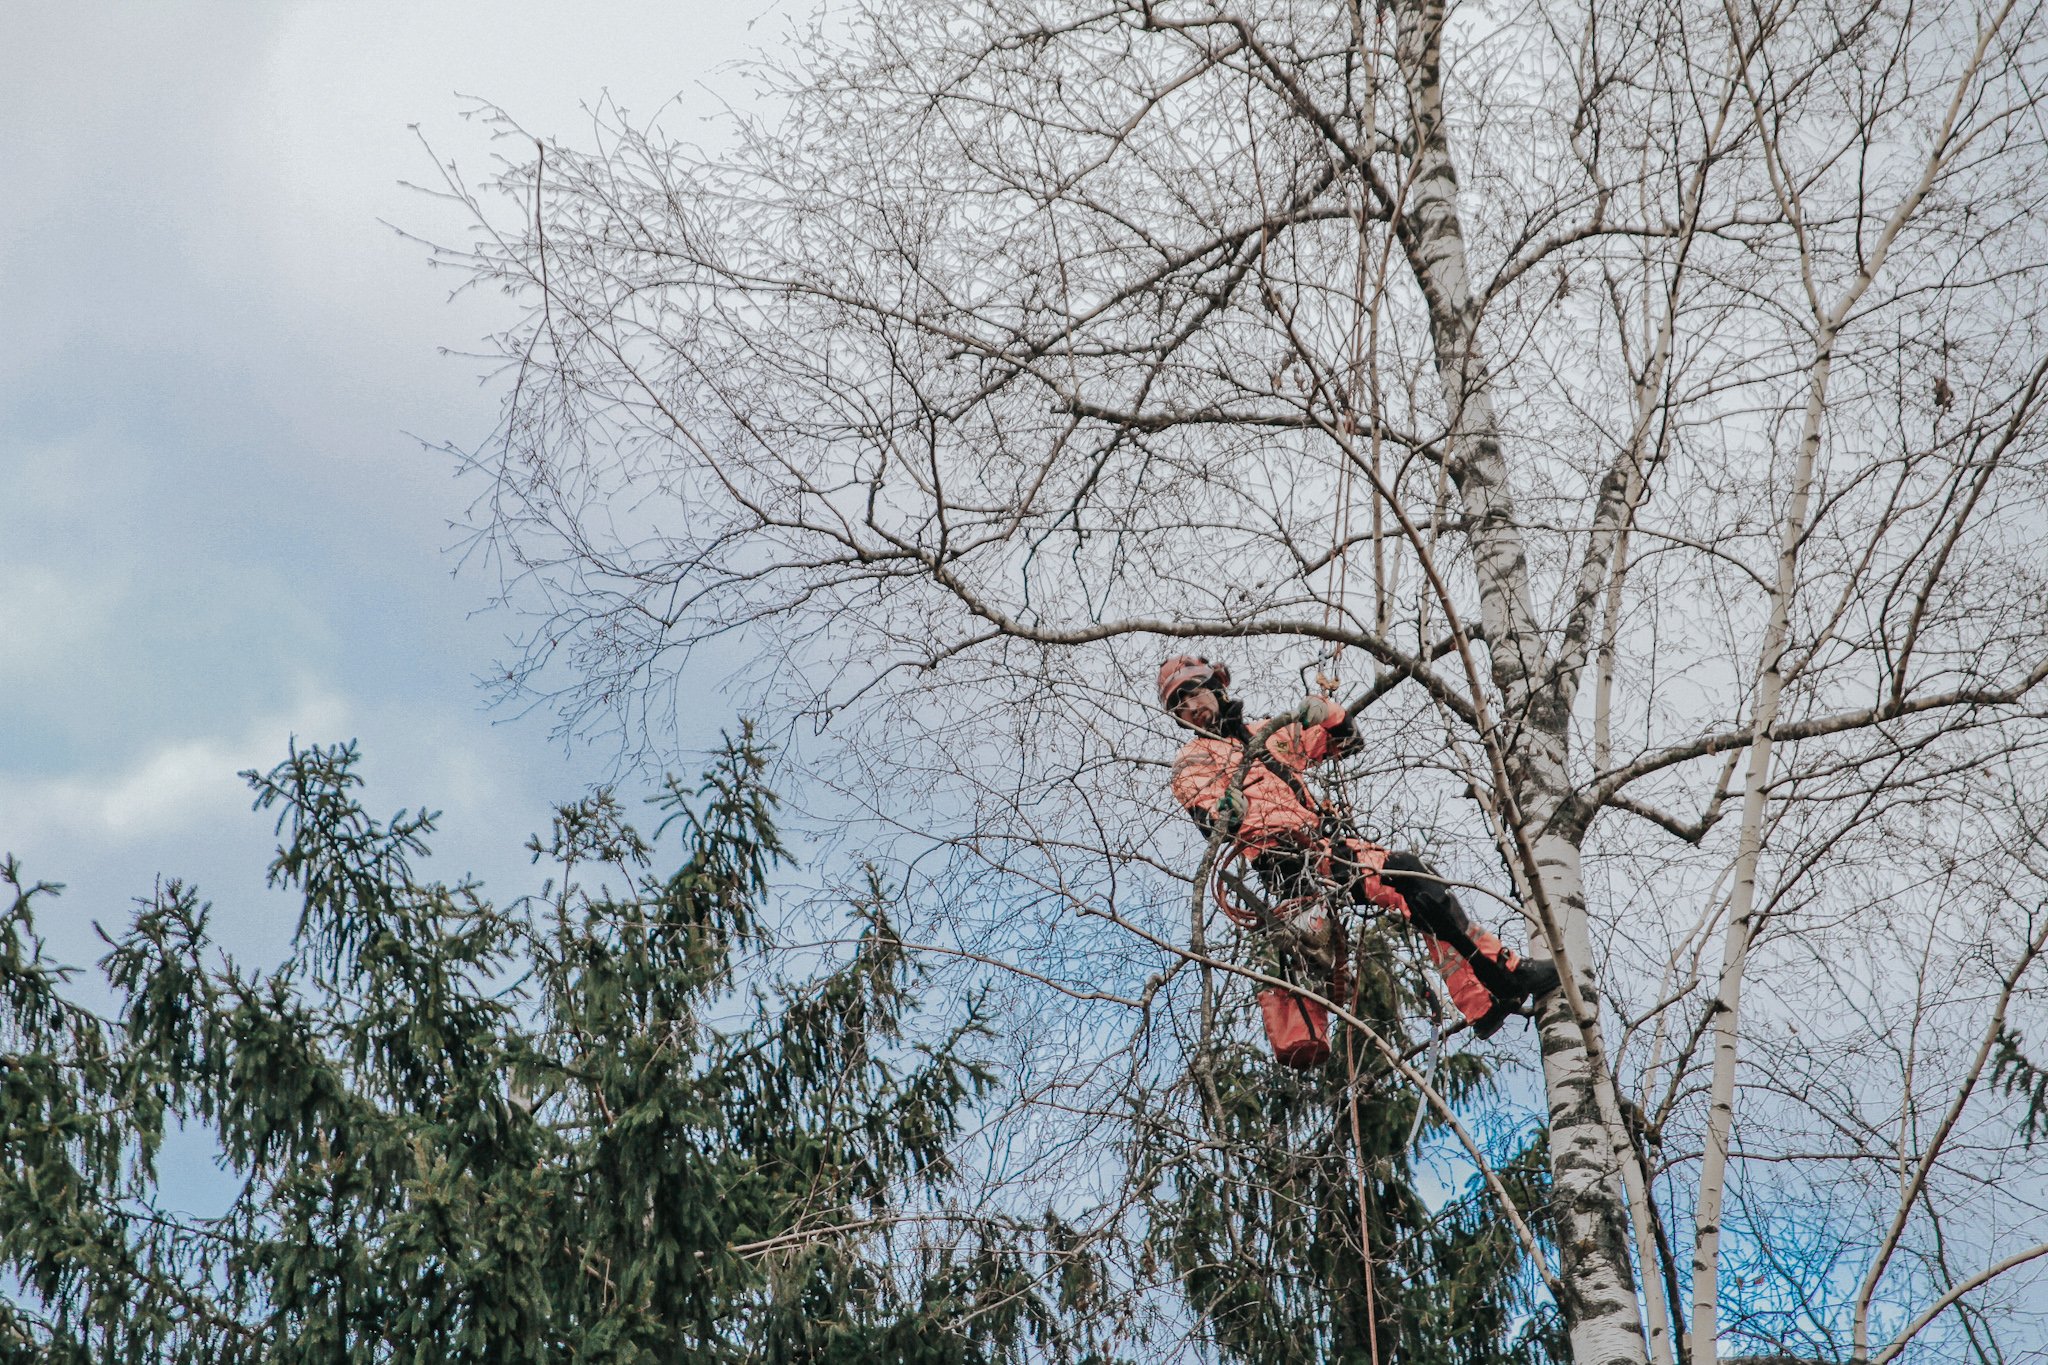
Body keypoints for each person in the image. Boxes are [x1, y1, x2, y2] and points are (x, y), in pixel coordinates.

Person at [1158, 654, 1559, 1038]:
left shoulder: (1269, 733)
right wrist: (1228, 811)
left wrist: (1327, 712)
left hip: (1328, 845)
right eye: (1180, 706)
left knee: (1418, 888)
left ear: (1215, 686)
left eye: (1194, 692)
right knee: (1409, 876)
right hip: (1288, 861)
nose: (1191, 707)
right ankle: (1507, 974)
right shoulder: (1192, 761)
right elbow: (1210, 824)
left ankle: (1481, 1002)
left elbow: (1346, 740)